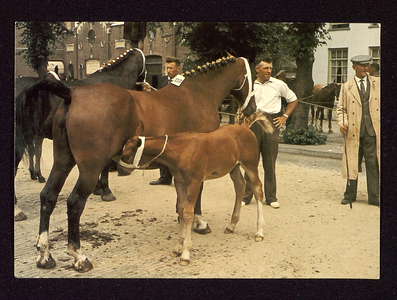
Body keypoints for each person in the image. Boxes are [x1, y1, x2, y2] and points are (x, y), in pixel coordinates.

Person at [242, 56, 298, 208]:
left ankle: (271, 197)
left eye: (270, 68)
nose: (269, 71)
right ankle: (246, 196)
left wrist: (284, 116)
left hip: (271, 123)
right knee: (250, 161)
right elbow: (242, 102)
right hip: (253, 122)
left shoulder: (278, 84)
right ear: (257, 69)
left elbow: (293, 99)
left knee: (270, 161)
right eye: (265, 68)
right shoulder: (249, 85)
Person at [336, 55, 380, 207]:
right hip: (353, 131)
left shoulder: (377, 83)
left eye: (367, 65)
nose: (366, 68)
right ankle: (349, 195)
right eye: (362, 66)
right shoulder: (346, 87)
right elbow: (340, 109)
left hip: (372, 131)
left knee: (373, 164)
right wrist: (342, 123)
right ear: (354, 67)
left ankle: (374, 197)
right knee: (351, 162)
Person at [150, 57, 181, 185]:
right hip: (164, 119)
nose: (168, 71)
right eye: (166, 68)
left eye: (171, 68)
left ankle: (178, 177)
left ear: (178, 69)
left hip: (177, 119)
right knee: (163, 146)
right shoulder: (163, 82)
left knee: (176, 148)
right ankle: (164, 177)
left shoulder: (181, 82)